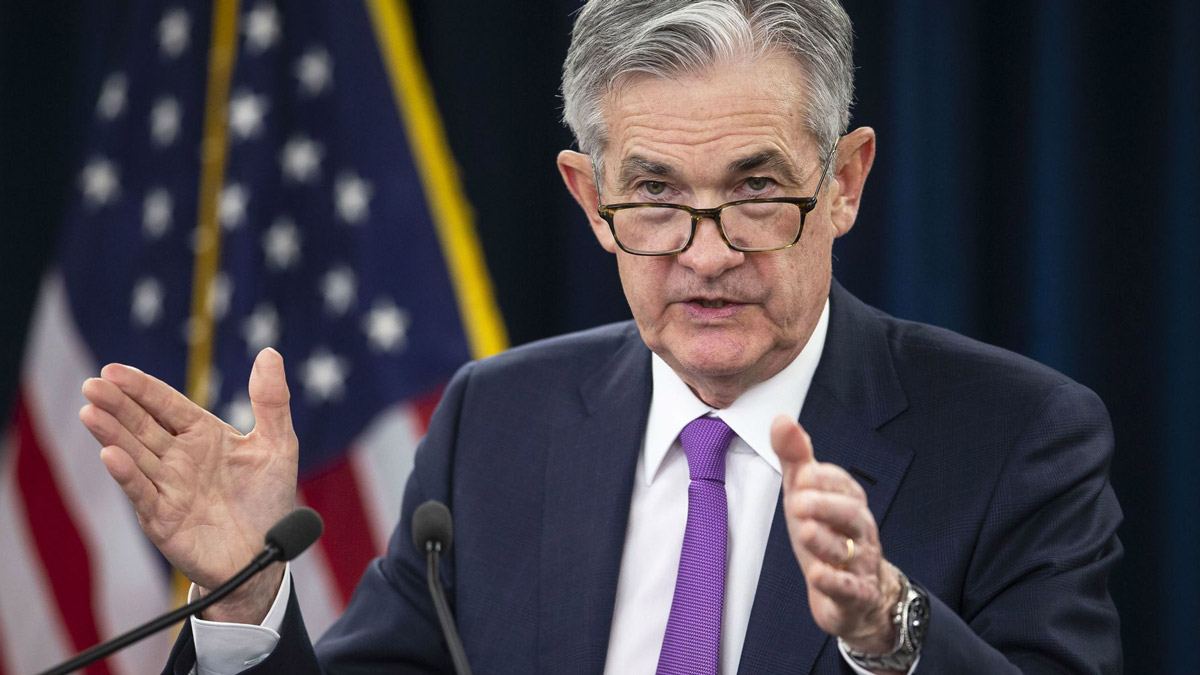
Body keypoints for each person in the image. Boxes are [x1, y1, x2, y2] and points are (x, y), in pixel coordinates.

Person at [79, 0, 1122, 673]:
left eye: (755, 190)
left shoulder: (1016, 438)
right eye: (655, 195)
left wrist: (892, 631)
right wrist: (249, 595)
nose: (705, 254)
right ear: (589, 197)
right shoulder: (496, 421)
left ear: (843, 182)